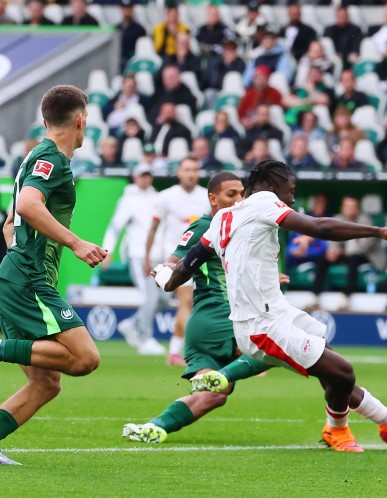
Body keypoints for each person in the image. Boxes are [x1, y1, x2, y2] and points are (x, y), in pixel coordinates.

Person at [152, 159, 387, 452]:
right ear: (273, 186)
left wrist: (164, 278)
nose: (293, 197)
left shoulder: (223, 219)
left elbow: (182, 270)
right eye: (292, 189)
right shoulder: (264, 203)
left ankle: (385, 421)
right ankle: (341, 430)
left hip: (278, 313)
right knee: (342, 371)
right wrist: (377, 231)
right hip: (261, 326)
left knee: (331, 364)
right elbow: (318, 227)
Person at [0, 85, 106, 465]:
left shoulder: (32, 158)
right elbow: (27, 207)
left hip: (18, 276)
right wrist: (76, 244)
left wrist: (17, 260)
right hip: (28, 280)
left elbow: (10, 223)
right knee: (84, 359)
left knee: (46, 383)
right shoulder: (52, 160)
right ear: (80, 121)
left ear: (46, 120)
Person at [122, 173, 267, 443]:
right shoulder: (206, 226)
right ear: (212, 199)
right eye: (231, 194)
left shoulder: (240, 228)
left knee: (215, 395)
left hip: (205, 326)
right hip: (221, 318)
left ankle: (155, 427)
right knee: (278, 350)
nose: (239, 200)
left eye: (241, 194)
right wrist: (164, 269)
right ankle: (348, 417)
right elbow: (175, 259)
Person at [144, 157, 209, 366]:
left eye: (194, 170)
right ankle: (193, 352)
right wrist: (148, 257)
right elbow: (153, 228)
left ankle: (173, 351)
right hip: (175, 259)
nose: (190, 174)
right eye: (187, 169)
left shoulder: (207, 197)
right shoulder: (166, 197)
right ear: (179, 172)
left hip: (203, 258)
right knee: (187, 302)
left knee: (189, 304)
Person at [101, 164, 166, 356]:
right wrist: (107, 251)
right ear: (135, 178)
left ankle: (132, 324)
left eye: (148, 175)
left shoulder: (157, 198)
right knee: (151, 296)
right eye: (142, 176)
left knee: (164, 298)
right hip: (138, 255)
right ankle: (144, 337)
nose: (145, 179)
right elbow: (115, 227)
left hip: (159, 255)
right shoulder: (128, 200)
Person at [307, 195, 384, 311]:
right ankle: (315, 295)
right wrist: (333, 251)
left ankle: (346, 297)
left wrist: (340, 252)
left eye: (353, 207)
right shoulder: (336, 219)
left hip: (365, 256)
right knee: (323, 258)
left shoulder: (366, 222)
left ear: (358, 209)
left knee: (354, 259)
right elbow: (330, 239)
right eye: (347, 207)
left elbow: (362, 248)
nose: (350, 210)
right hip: (343, 254)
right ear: (342, 208)